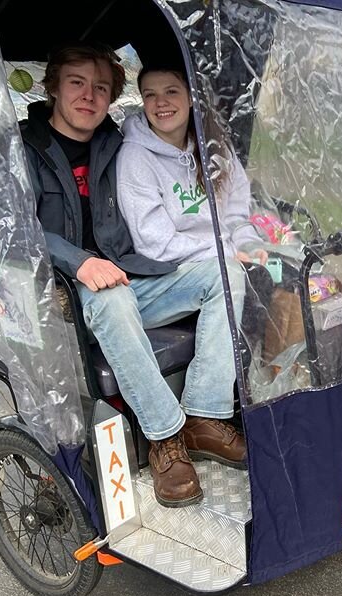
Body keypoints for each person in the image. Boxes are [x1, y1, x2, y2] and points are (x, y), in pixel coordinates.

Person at [19, 43, 251, 508]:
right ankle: (165, 436)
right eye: (77, 83)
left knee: (222, 273)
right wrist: (77, 260)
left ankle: (204, 414)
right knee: (109, 297)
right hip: (61, 291)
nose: (89, 96)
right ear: (53, 87)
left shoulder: (116, 139)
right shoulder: (24, 148)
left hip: (130, 277)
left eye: (101, 87)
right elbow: (16, 225)